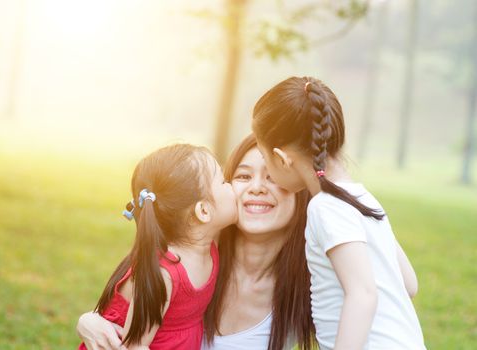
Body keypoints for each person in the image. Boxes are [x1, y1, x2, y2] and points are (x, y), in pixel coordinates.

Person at [77, 134, 316, 350]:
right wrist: (89, 320)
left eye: (273, 176)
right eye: (239, 177)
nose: (256, 188)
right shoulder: (175, 263)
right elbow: (129, 325)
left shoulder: (311, 284)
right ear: (203, 211)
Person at [252, 76, 426, 350]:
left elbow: (362, 294)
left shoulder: (326, 207)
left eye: (264, 159)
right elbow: (410, 284)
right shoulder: (362, 199)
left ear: (283, 159)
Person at [78, 143, 237, 350]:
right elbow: (135, 347)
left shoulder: (209, 243)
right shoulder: (166, 274)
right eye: (223, 181)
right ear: (204, 212)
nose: (232, 185)